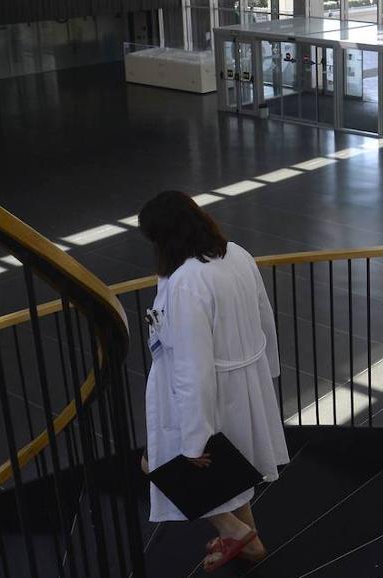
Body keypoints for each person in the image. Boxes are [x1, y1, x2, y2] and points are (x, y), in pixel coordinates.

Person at [138, 191, 290, 572]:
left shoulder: (188, 282)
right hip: (245, 385)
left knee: (160, 462)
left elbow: (193, 366)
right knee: (231, 474)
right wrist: (267, 373)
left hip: (211, 396)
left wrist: (193, 439)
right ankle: (247, 541)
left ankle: (235, 532)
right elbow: (264, 316)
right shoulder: (236, 254)